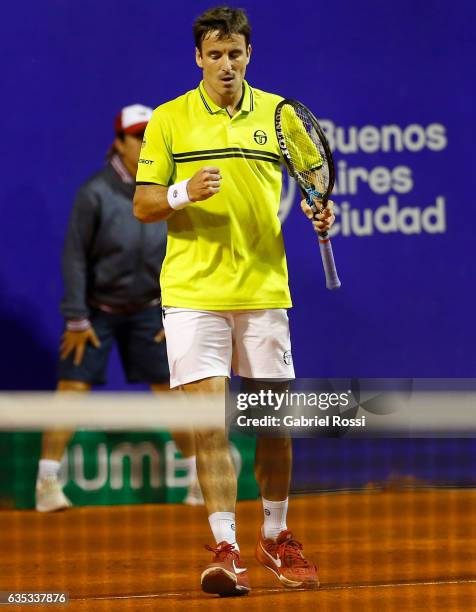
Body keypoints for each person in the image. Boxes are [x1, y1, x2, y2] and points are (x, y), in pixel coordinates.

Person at [134, 7, 335, 596]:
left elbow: (314, 183)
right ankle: (225, 546)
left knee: (273, 424)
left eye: (235, 53)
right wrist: (182, 191)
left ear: (249, 54)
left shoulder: (278, 116)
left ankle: (276, 535)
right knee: (210, 427)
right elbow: (145, 205)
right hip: (193, 294)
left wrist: (320, 209)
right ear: (198, 57)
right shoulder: (169, 120)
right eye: (215, 54)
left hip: (263, 291)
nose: (226, 64)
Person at [35, 104, 202, 513]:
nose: (145, 143)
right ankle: (46, 485)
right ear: (119, 142)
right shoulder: (95, 192)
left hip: (150, 307)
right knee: (71, 390)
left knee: (170, 391)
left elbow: (186, 249)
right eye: (137, 136)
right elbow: (74, 257)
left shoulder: (167, 188)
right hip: (97, 311)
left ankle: (200, 481)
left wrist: (173, 309)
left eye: (150, 136)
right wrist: (76, 317)